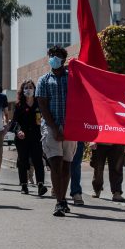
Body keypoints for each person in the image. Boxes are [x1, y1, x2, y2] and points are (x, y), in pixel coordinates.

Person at [37, 45, 76, 217]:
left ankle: (63, 198)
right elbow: (43, 106)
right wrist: (54, 129)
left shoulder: (72, 78)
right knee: (56, 164)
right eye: (51, 55)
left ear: (63, 59)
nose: (53, 58)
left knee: (66, 165)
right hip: (51, 127)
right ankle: (59, 202)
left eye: (57, 55)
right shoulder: (44, 80)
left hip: (70, 127)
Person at [10, 79, 48, 196]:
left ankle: (40, 184)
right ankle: (24, 185)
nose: (28, 90)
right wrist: (18, 131)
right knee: (23, 161)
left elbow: (44, 119)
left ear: (35, 90)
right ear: (22, 90)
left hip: (36, 137)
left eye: (31, 87)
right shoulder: (19, 105)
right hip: (22, 138)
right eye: (26, 87)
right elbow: (14, 122)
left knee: (38, 160)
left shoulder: (39, 104)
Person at [69, 141, 86, 206]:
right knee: (60, 164)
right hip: (60, 138)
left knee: (76, 165)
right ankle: (58, 189)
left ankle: (76, 192)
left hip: (77, 138)